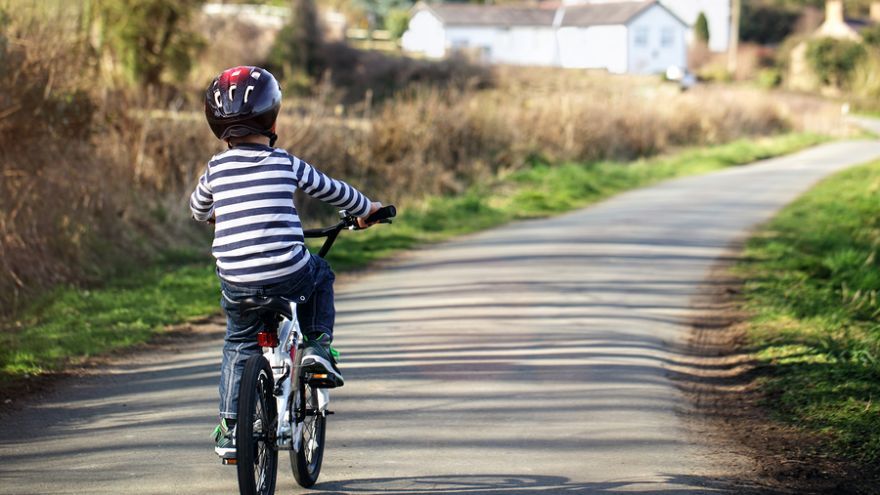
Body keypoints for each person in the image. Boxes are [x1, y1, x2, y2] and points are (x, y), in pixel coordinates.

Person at [189, 66, 380, 459]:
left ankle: (229, 428)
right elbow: (336, 192)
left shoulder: (214, 169)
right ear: (272, 117)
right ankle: (316, 347)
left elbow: (197, 208)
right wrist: (367, 209)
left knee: (239, 343)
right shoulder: (286, 163)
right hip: (288, 273)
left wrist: (214, 215)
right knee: (320, 274)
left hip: (237, 281)